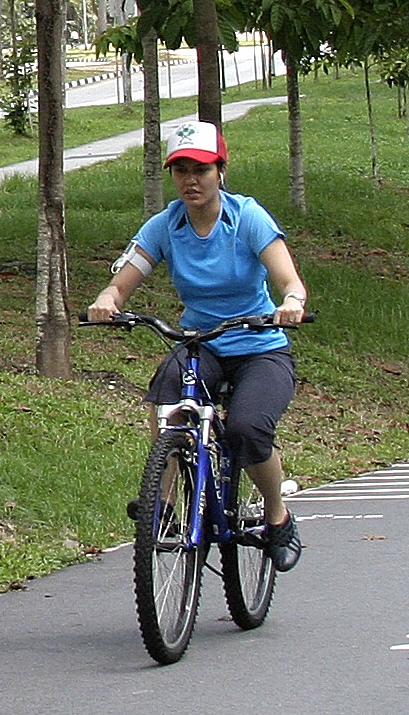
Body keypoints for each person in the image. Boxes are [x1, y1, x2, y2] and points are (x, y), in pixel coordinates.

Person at [81, 116, 310, 570]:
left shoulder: (246, 217)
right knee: (168, 395)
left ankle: (278, 517)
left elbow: (288, 279)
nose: (191, 180)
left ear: (220, 171)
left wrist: (292, 301)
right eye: (181, 169)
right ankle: (162, 508)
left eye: (201, 169)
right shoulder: (166, 225)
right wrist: (107, 299)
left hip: (259, 344)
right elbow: (123, 284)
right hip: (200, 342)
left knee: (247, 429)